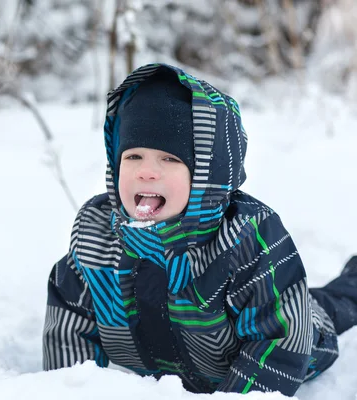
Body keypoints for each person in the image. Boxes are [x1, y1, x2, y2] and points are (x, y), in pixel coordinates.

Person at [41, 63, 357, 396]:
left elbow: (279, 336)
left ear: (207, 175)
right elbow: (70, 319)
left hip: (294, 336)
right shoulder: (96, 236)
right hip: (169, 359)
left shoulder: (242, 237)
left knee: (326, 305)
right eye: (133, 156)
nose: (147, 172)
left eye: (169, 159)